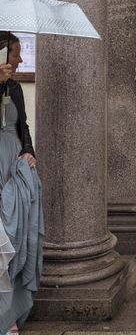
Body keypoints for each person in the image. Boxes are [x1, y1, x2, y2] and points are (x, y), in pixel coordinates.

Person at [0, 32, 44, 335]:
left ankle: (11, 312)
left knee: (18, 235)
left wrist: (29, 151)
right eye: (15, 53)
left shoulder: (15, 87)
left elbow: (22, 125)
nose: (20, 59)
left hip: (14, 166)